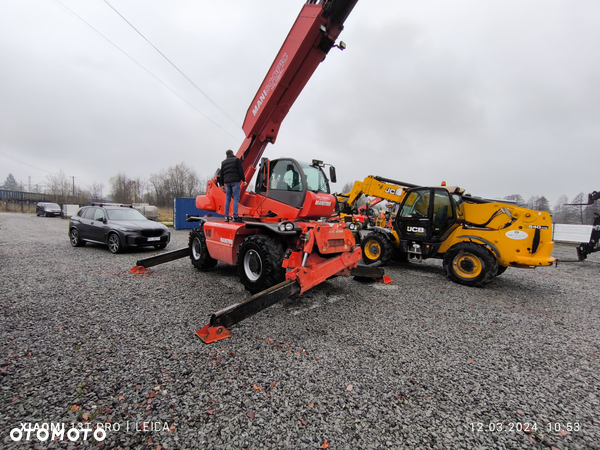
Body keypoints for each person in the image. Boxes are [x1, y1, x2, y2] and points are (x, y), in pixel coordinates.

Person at [219, 149, 246, 222]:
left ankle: (226, 217)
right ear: (232, 153)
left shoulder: (223, 163)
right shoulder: (236, 160)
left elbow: (221, 174)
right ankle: (235, 217)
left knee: (228, 199)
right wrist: (243, 180)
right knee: (236, 199)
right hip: (235, 182)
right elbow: (240, 171)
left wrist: (222, 184)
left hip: (227, 183)